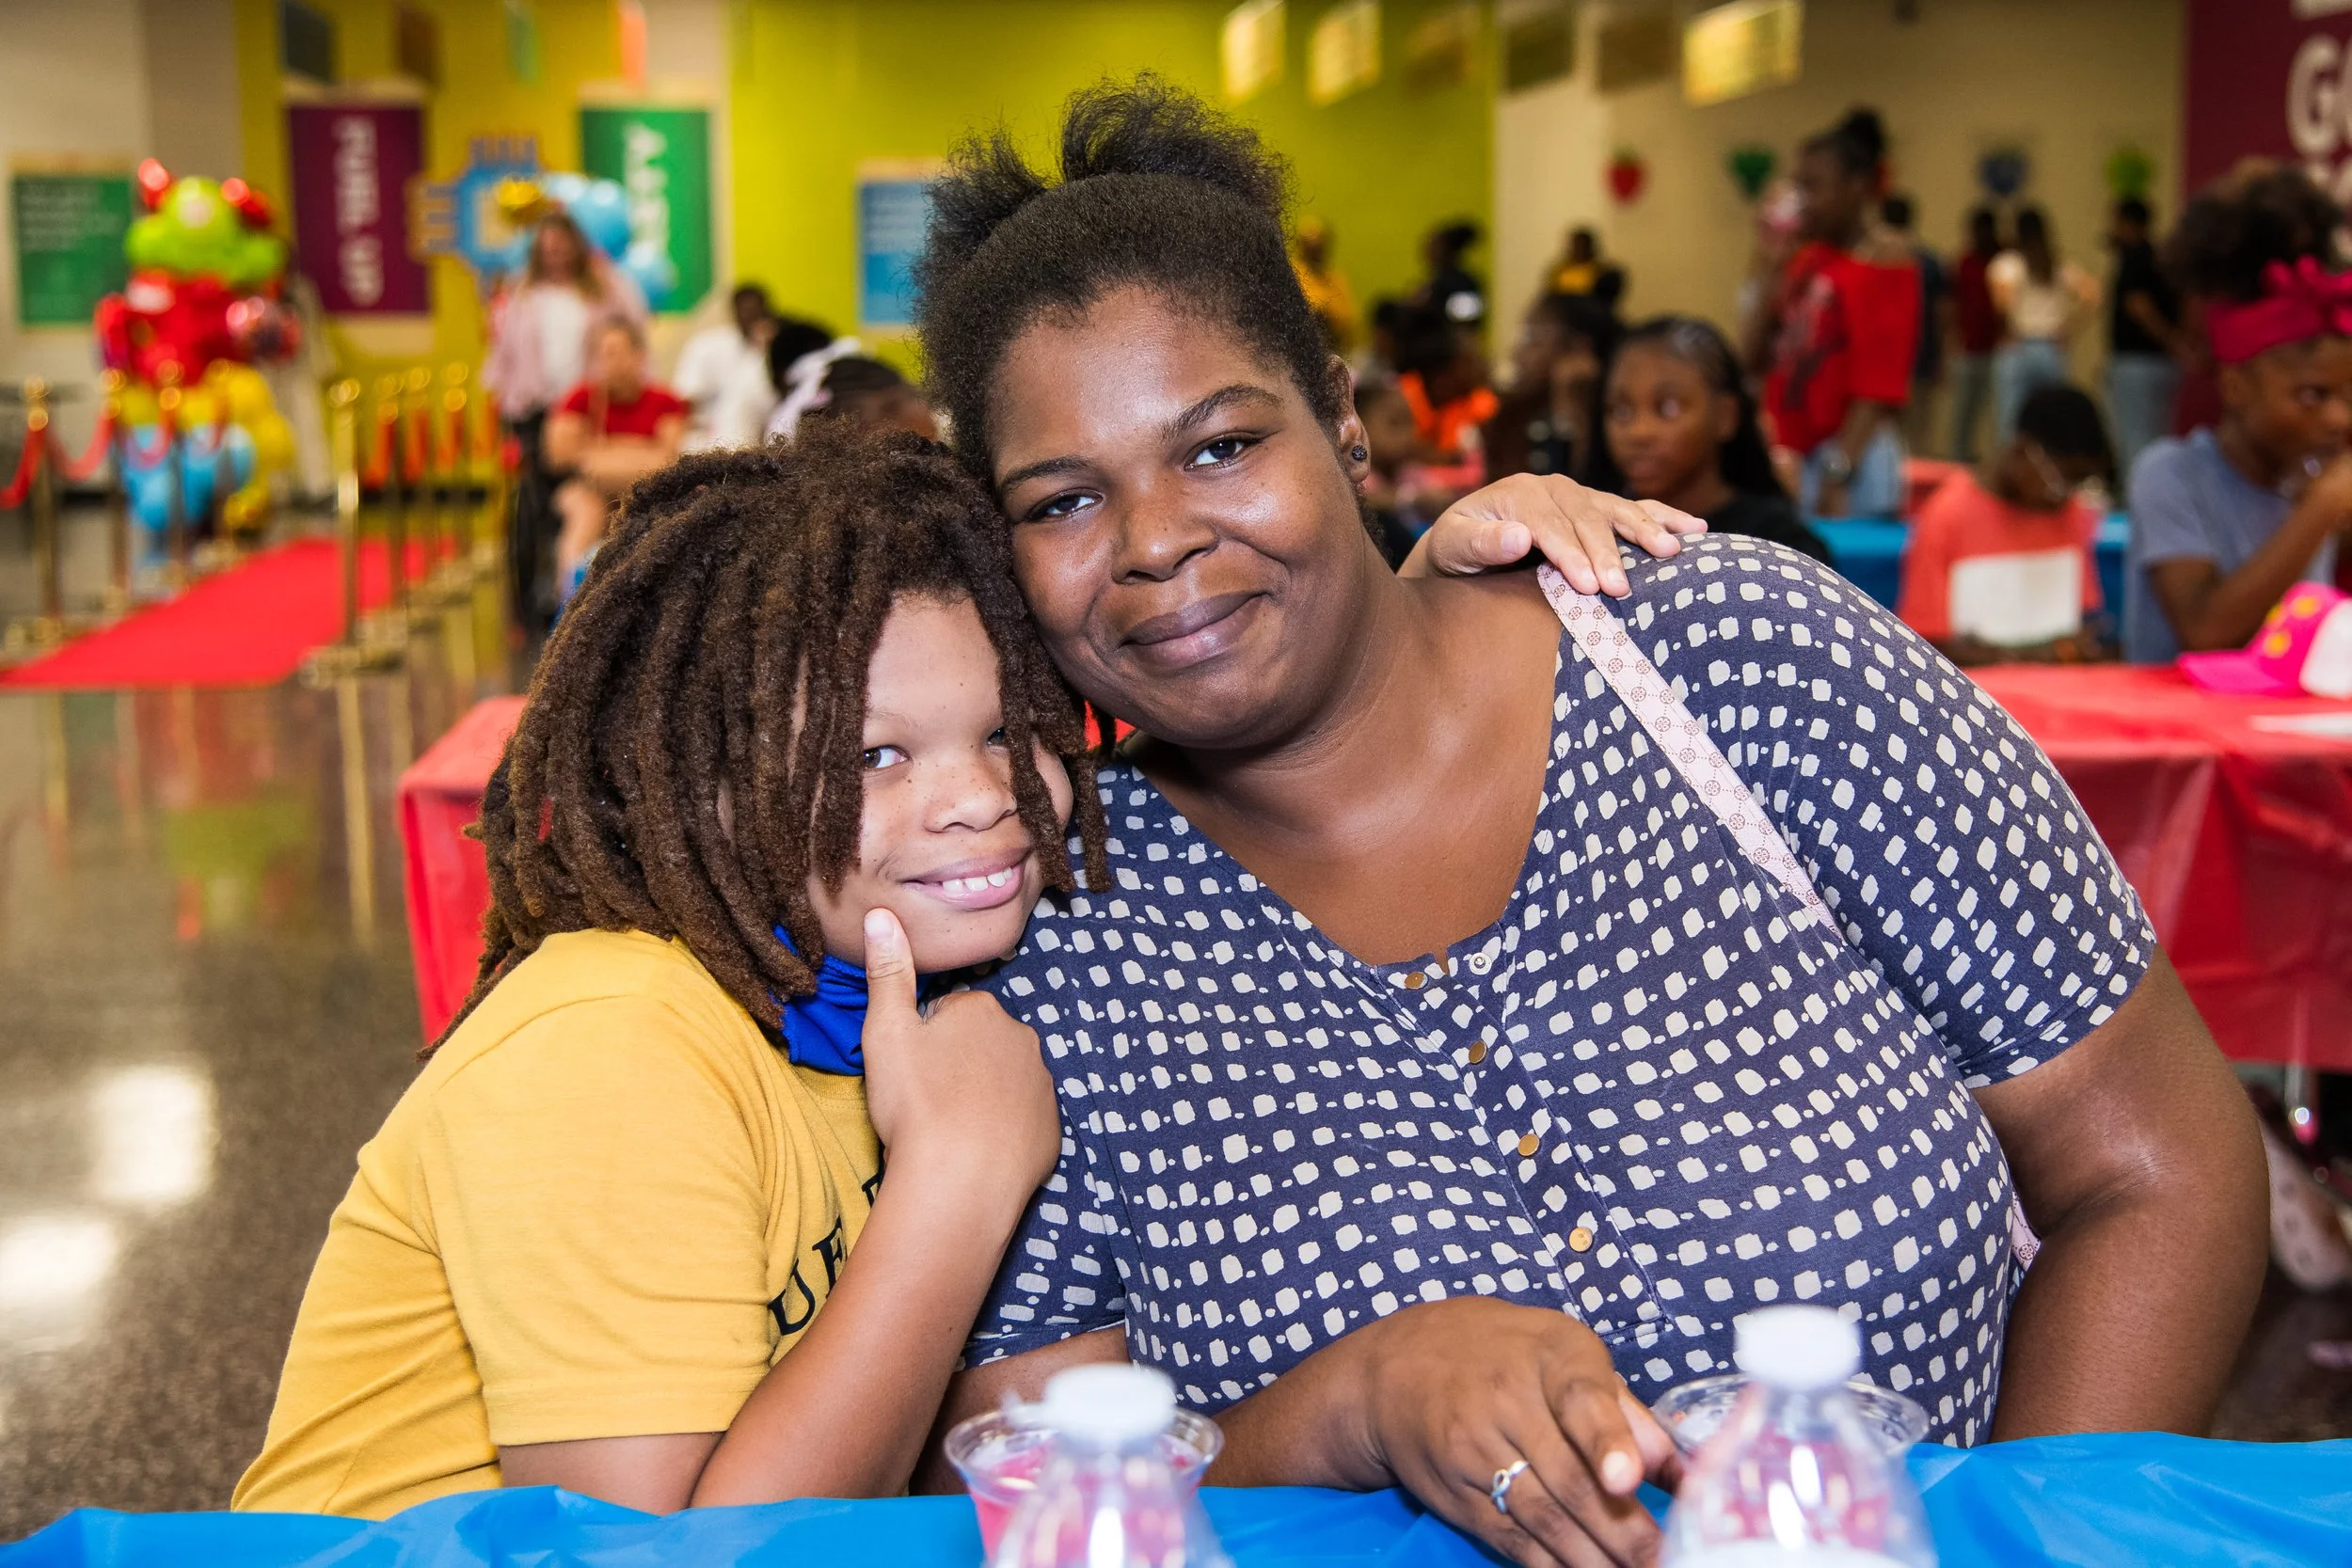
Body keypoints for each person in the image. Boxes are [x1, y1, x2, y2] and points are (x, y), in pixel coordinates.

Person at [914, 75, 2265, 1567]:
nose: (1158, 540)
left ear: (1345, 422)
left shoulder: (1737, 663)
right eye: (1061, 501)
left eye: (1222, 444)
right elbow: (1030, 1464)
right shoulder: (1054, 922)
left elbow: (2157, 1165)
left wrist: (2026, 1543)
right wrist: (1354, 1394)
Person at [231, 428, 1104, 1519]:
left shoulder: (892, 995)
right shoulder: (607, 1045)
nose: (981, 794)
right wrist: (962, 1177)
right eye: (873, 755)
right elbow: (660, 1553)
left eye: (1009, 728)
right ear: (710, 785)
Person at [2125, 165, 2352, 663]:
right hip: (2169, 736)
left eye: (2349, 398)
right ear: (2236, 387)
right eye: (2313, 395)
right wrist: (2321, 511)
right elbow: (2205, 629)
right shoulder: (2171, 474)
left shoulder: (2313, 477)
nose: (2339, 419)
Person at [1744, 108, 1919, 516]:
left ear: (1857, 187)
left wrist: (1837, 473)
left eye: (1813, 186)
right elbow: (1752, 357)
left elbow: (1878, 386)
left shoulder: (1885, 259)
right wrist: (1770, 265)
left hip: (1849, 458)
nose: (1802, 201)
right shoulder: (1807, 260)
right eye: (1797, 186)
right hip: (1799, 454)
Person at [481, 211, 649, 625]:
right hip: (539, 411)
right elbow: (505, 356)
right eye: (547, 248)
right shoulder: (523, 294)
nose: (554, 254)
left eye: (561, 246)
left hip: (593, 408)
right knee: (535, 506)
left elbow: (634, 337)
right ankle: (536, 602)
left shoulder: (608, 289)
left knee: (598, 501)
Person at [1899, 383, 2114, 664]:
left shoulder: (2067, 512)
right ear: (2024, 451)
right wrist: (2037, 655)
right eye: (2062, 480)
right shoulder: (1947, 515)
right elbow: (1925, 645)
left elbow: (2085, 620)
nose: (2066, 494)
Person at [1589, 314, 1829, 561]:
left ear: (1726, 416)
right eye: (1620, 411)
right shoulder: (1596, 529)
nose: (1639, 432)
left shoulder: (1781, 544)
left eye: (1668, 408)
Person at [544, 317, 687, 596]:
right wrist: (638, 450)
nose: (606, 361)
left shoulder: (664, 400)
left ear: (638, 356)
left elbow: (667, 458)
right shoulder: (582, 398)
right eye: (601, 353)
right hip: (590, 492)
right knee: (584, 518)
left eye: (613, 352)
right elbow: (560, 456)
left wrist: (601, 450)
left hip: (644, 493)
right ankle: (569, 600)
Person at [1988, 207, 2101, 444]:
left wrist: (2011, 325)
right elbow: (2093, 294)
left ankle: (2015, 475)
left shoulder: (2008, 264)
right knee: (2052, 422)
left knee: (2010, 420)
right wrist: (2069, 326)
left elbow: (2002, 305)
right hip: (2051, 348)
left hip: (2018, 346)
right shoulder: (2057, 265)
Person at [1482, 292, 1618, 483]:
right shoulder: (1513, 415)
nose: (1517, 353)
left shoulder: (1607, 423)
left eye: (1532, 338)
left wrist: (1568, 403)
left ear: (1577, 349)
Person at [2105, 198, 2185, 494]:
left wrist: (2169, 338)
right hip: (2162, 363)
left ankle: (2137, 504)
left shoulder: (2135, 256)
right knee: (2156, 435)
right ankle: (2156, 498)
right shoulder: (2163, 257)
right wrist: (2176, 343)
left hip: (2135, 360)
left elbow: (2138, 305)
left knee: (2134, 439)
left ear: (2127, 222)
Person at [1392, 307, 1497, 490]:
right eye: (1469, 362)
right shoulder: (1401, 393)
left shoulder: (1476, 400)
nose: (1480, 367)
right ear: (1443, 373)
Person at [673, 282, 779, 451]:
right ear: (733, 311)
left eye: (755, 311)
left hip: (757, 443)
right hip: (704, 440)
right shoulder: (706, 345)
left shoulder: (776, 353)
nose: (749, 317)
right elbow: (685, 399)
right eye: (744, 311)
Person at [1883, 194, 1947, 457]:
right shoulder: (1928, 262)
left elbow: (1944, 312)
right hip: (1916, 353)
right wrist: (1942, 353)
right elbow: (1945, 314)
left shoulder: (1870, 262)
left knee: (1890, 431)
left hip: (1896, 356)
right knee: (1916, 433)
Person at [1949, 208, 2007, 461]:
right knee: (1964, 411)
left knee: (1998, 412)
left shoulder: (2003, 262)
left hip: (1998, 350)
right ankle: (1960, 459)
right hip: (1969, 346)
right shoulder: (1965, 263)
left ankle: (1996, 461)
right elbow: (1953, 305)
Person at [1292, 216, 1359, 355]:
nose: (1317, 249)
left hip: (1336, 349)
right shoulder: (1293, 275)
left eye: (1320, 244)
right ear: (1301, 246)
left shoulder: (1335, 279)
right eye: (1311, 245)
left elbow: (1349, 318)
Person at [1416, 219, 1486, 327]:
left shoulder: (1464, 284)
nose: (1428, 252)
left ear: (1448, 251)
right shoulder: (1434, 282)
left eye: (1434, 246)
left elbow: (1467, 322)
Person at [1549, 226, 1626, 310]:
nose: (1579, 249)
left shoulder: (1601, 271)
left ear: (1590, 247)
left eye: (1583, 246)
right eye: (1576, 245)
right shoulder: (1560, 270)